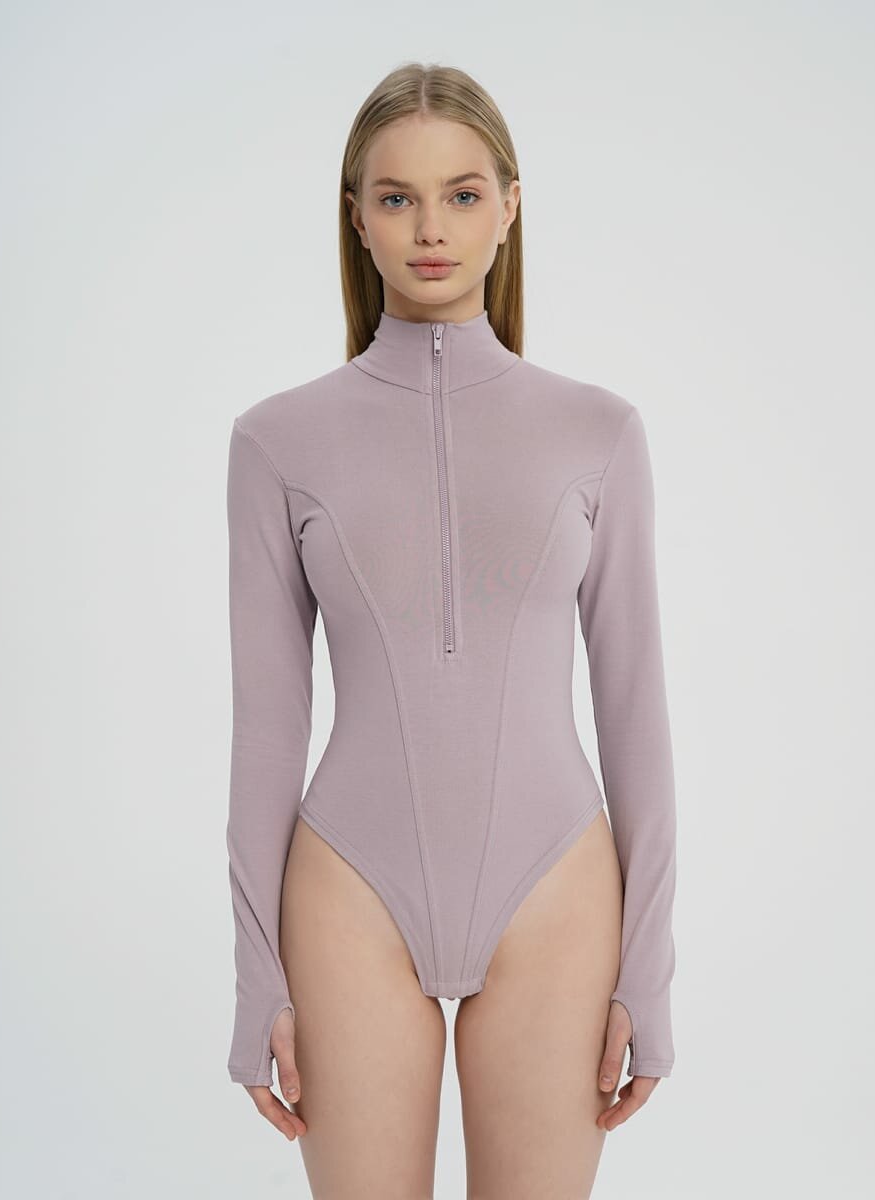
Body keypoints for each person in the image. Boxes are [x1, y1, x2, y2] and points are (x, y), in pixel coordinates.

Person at [224, 62, 678, 1198]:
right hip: (348, 887)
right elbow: (266, 731)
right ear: (356, 216)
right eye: (398, 197)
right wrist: (254, 975)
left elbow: (635, 716)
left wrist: (651, 967)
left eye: (463, 195)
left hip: (556, 884)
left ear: (510, 207)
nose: (431, 228)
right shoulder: (276, 442)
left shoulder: (599, 432)